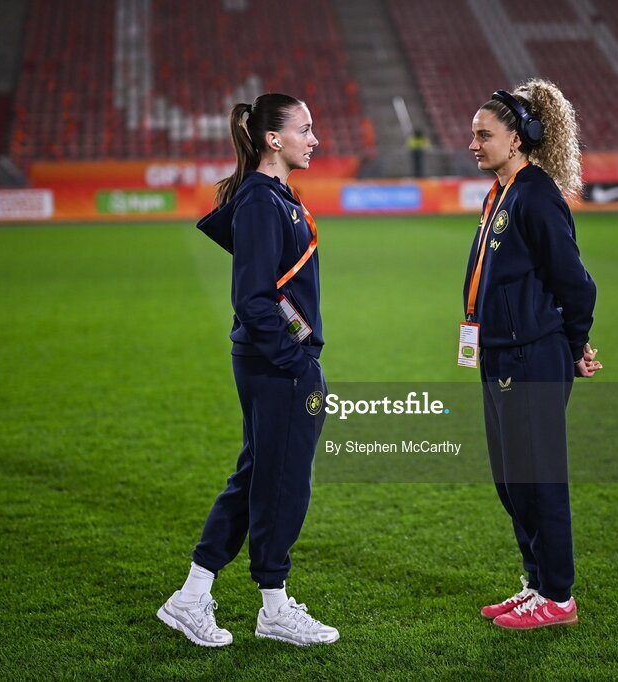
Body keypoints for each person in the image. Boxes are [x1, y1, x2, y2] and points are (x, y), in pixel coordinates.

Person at [157, 93, 338, 647]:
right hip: (276, 365)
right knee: (283, 483)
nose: (314, 139)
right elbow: (254, 298)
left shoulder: (275, 195)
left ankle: (191, 596)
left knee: (257, 476)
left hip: (273, 362)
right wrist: (297, 362)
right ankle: (274, 608)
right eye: (304, 129)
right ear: (273, 139)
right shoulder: (262, 200)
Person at [462, 80, 601, 630]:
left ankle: (558, 597)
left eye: (483, 135)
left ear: (517, 139)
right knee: (512, 480)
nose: (473, 144)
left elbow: (576, 283)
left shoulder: (536, 193)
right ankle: (536, 583)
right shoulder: (502, 190)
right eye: (472, 135)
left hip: (530, 358)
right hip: (499, 354)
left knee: (539, 478)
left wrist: (571, 347)